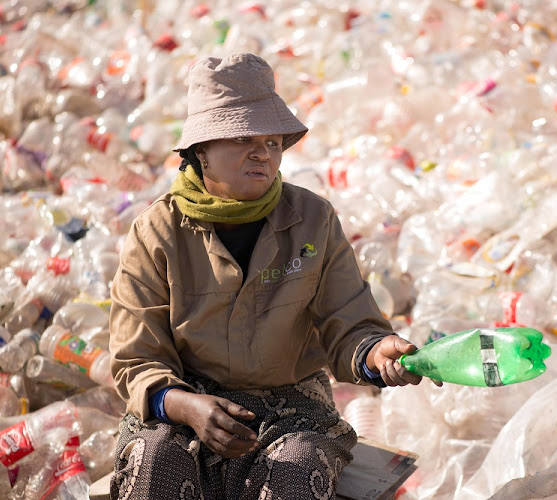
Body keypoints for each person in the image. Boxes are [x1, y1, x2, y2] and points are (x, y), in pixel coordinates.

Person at [108, 53, 439, 500]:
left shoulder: (312, 220)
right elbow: (136, 360)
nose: (262, 152)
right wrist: (188, 407)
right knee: (156, 462)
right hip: (189, 406)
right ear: (201, 150)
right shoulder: (156, 232)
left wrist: (379, 352)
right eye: (243, 137)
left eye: (272, 141)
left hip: (291, 410)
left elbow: (350, 323)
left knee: (296, 468)